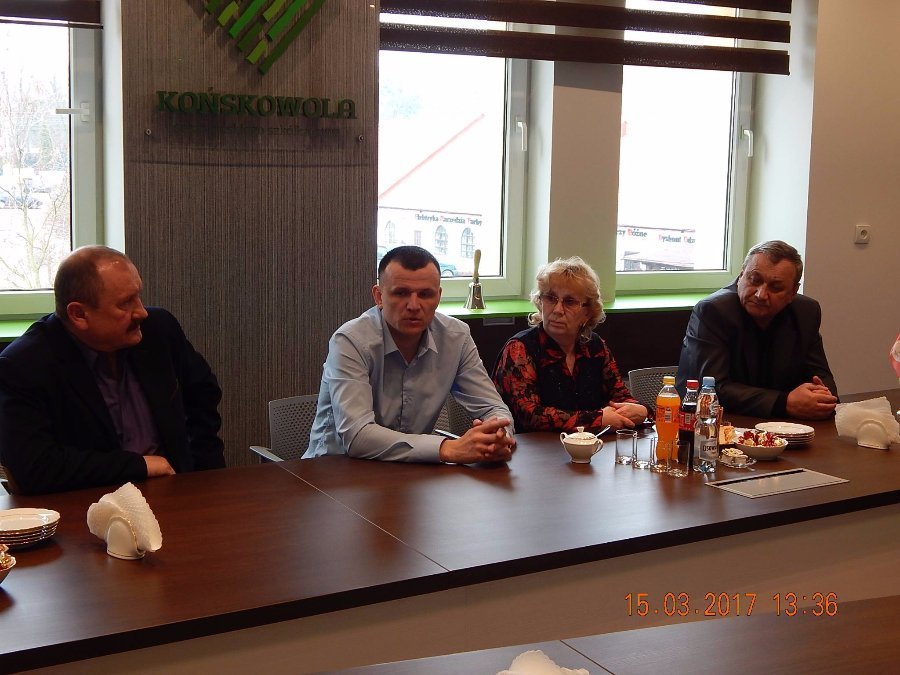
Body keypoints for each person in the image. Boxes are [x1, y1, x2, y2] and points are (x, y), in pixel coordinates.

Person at [0, 246, 225, 495]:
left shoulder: (159, 330)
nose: (141, 312)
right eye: (126, 303)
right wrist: (139, 466)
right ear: (79, 314)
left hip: (174, 492)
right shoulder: (24, 365)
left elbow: (203, 394)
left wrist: (205, 475)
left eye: (138, 296)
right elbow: (36, 468)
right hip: (88, 503)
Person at [305, 245, 516, 463]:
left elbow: (493, 408)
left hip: (410, 471)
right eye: (401, 293)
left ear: (438, 296)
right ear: (378, 296)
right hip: (333, 470)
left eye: (425, 294)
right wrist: (447, 449)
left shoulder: (456, 337)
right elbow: (357, 435)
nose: (414, 305)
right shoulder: (351, 341)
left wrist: (498, 437)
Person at [676, 240, 838, 419]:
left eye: (775, 287)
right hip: (712, 423)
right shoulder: (714, 311)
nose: (761, 294)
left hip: (784, 425)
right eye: (754, 280)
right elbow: (713, 389)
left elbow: (823, 379)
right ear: (741, 276)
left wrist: (821, 398)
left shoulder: (805, 312)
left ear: (793, 292)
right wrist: (783, 402)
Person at [492, 257, 647, 432]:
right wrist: (597, 419)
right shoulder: (519, 348)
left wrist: (641, 410)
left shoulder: (594, 347)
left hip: (589, 446)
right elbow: (530, 416)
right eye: (550, 298)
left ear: (588, 312)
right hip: (531, 447)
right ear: (541, 302)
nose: (557, 310)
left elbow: (620, 396)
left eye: (569, 301)